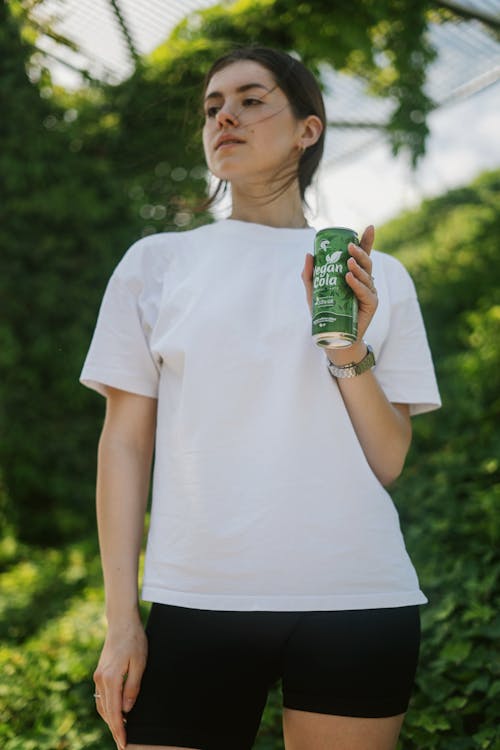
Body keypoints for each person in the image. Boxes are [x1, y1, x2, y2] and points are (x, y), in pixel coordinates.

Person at [80, 46, 441, 750]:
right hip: (198, 597)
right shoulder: (157, 263)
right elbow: (123, 444)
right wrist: (122, 620)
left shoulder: (379, 275)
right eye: (213, 107)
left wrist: (343, 344)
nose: (225, 117)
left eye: (251, 99)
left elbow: (390, 460)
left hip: (357, 595)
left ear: (309, 129)